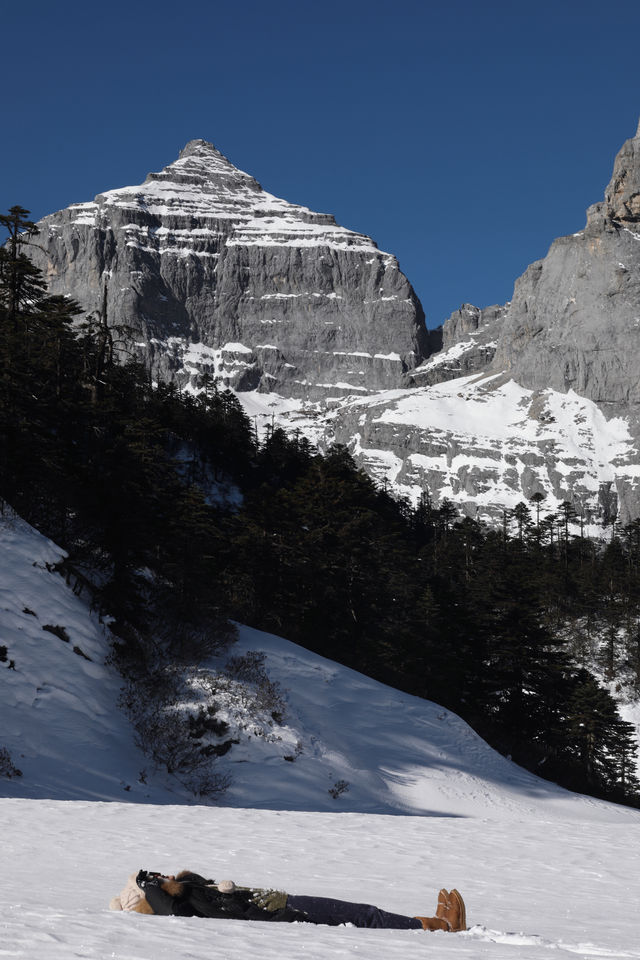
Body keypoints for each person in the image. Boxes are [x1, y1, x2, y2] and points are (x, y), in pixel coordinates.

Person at [109, 869, 466, 932]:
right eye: (153, 884)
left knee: (362, 914)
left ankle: (428, 924)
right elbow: (173, 902)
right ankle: (434, 928)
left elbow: (193, 882)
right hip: (284, 912)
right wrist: (148, 884)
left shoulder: (191, 896)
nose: (162, 878)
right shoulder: (179, 907)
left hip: (279, 904)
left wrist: (164, 882)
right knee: (363, 916)